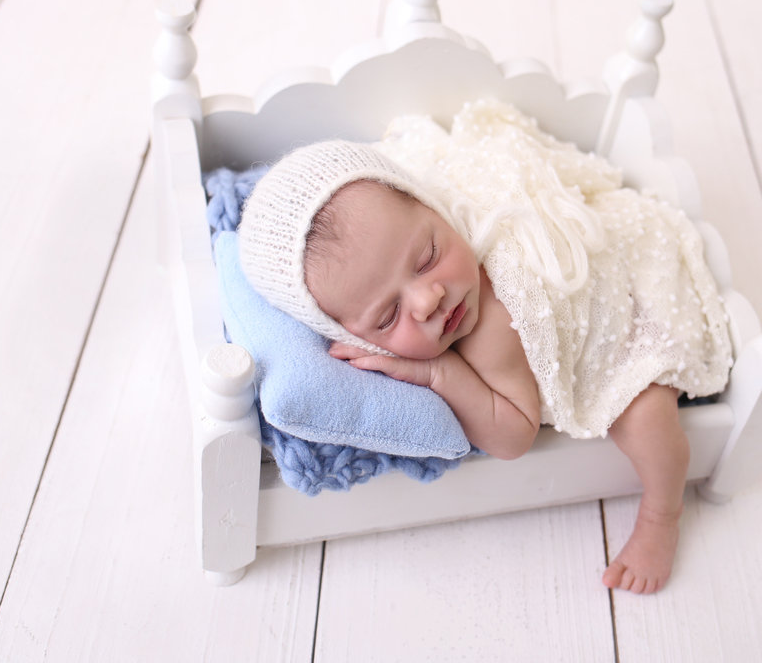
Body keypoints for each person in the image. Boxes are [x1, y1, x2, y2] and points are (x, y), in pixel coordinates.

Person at [239, 100, 732, 594]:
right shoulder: (404, 249)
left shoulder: (490, 329)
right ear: (351, 338)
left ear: (428, 202)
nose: (429, 299)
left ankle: (661, 512)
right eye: (388, 317)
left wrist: (440, 373)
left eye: (427, 257)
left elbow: (514, 436)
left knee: (645, 420)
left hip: (632, 308)